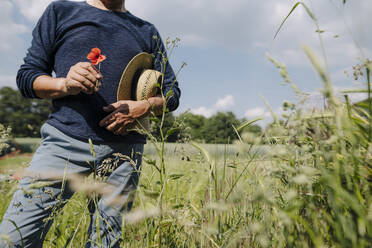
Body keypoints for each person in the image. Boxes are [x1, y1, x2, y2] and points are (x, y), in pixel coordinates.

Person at [0, 0, 181, 247]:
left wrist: (143, 107)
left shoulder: (146, 31)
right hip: (63, 142)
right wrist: (64, 84)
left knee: (105, 243)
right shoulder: (61, 11)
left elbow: (172, 94)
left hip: (124, 154)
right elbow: (27, 78)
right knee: (13, 240)